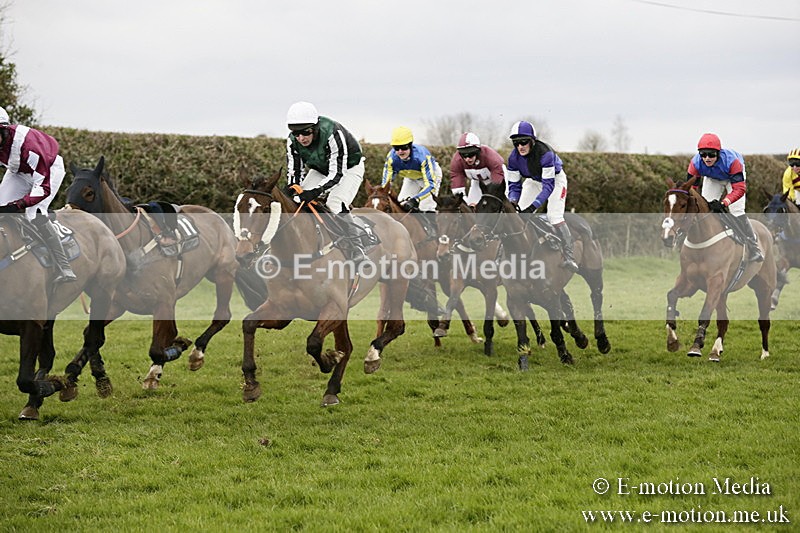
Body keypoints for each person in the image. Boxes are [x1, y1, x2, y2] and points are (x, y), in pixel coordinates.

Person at [284, 101, 373, 259]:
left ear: (315, 127)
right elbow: (295, 170)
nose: (301, 138)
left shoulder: (332, 133)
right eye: (296, 133)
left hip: (349, 168)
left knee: (335, 203)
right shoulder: (292, 141)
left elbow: (337, 173)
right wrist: (292, 187)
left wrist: (316, 191)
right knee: (298, 201)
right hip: (320, 169)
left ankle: (357, 247)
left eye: (305, 132)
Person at [0, 105, 76, 283]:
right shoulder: (3, 140)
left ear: (3, 131)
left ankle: (64, 266)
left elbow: (43, 188)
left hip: (48, 171)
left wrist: (18, 205)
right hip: (18, 171)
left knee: (33, 213)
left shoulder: (28, 146)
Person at [506, 120, 578, 272]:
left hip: (555, 181)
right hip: (533, 181)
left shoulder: (545, 153)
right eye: (516, 143)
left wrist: (533, 206)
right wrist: (512, 201)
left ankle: (569, 256)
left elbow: (548, 186)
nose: (520, 146)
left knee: (554, 216)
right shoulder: (513, 158)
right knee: (518, 216)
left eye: (524, 142)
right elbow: (514, 186)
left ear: (532, 141)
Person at [687, 133, 763, 262]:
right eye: (703, 154)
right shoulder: (695, 164)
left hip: (732, 179)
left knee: (736, 211)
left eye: (711, 154)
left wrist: (724, 203)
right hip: (713, 178)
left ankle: (754, 247)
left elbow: (740, 189)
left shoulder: (732, 162)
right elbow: (691, 189)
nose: (707, 158)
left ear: (718, 153)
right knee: (705, 209)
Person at [449, 131, 507, 207]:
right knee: (471, 206)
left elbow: (496, 186)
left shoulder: (491, 157)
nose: (467, 159)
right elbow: (458, 190)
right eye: (464, 155)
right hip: (478, 181)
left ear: (477, 151)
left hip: (499, 179)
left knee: (499, 205)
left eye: (470, 154)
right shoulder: (457, 161)